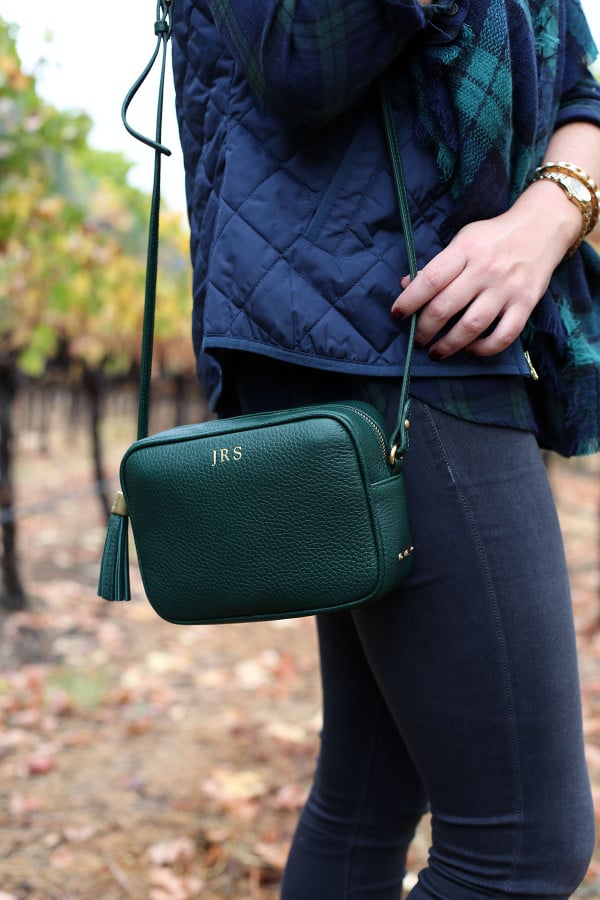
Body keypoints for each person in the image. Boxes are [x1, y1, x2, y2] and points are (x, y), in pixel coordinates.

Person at [171, 1, 600, 896]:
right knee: (520, 850)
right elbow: (301, 59)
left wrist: (547, 216)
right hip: (382, 338)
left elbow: (582, 93)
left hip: (431, 329)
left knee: (370, 787)